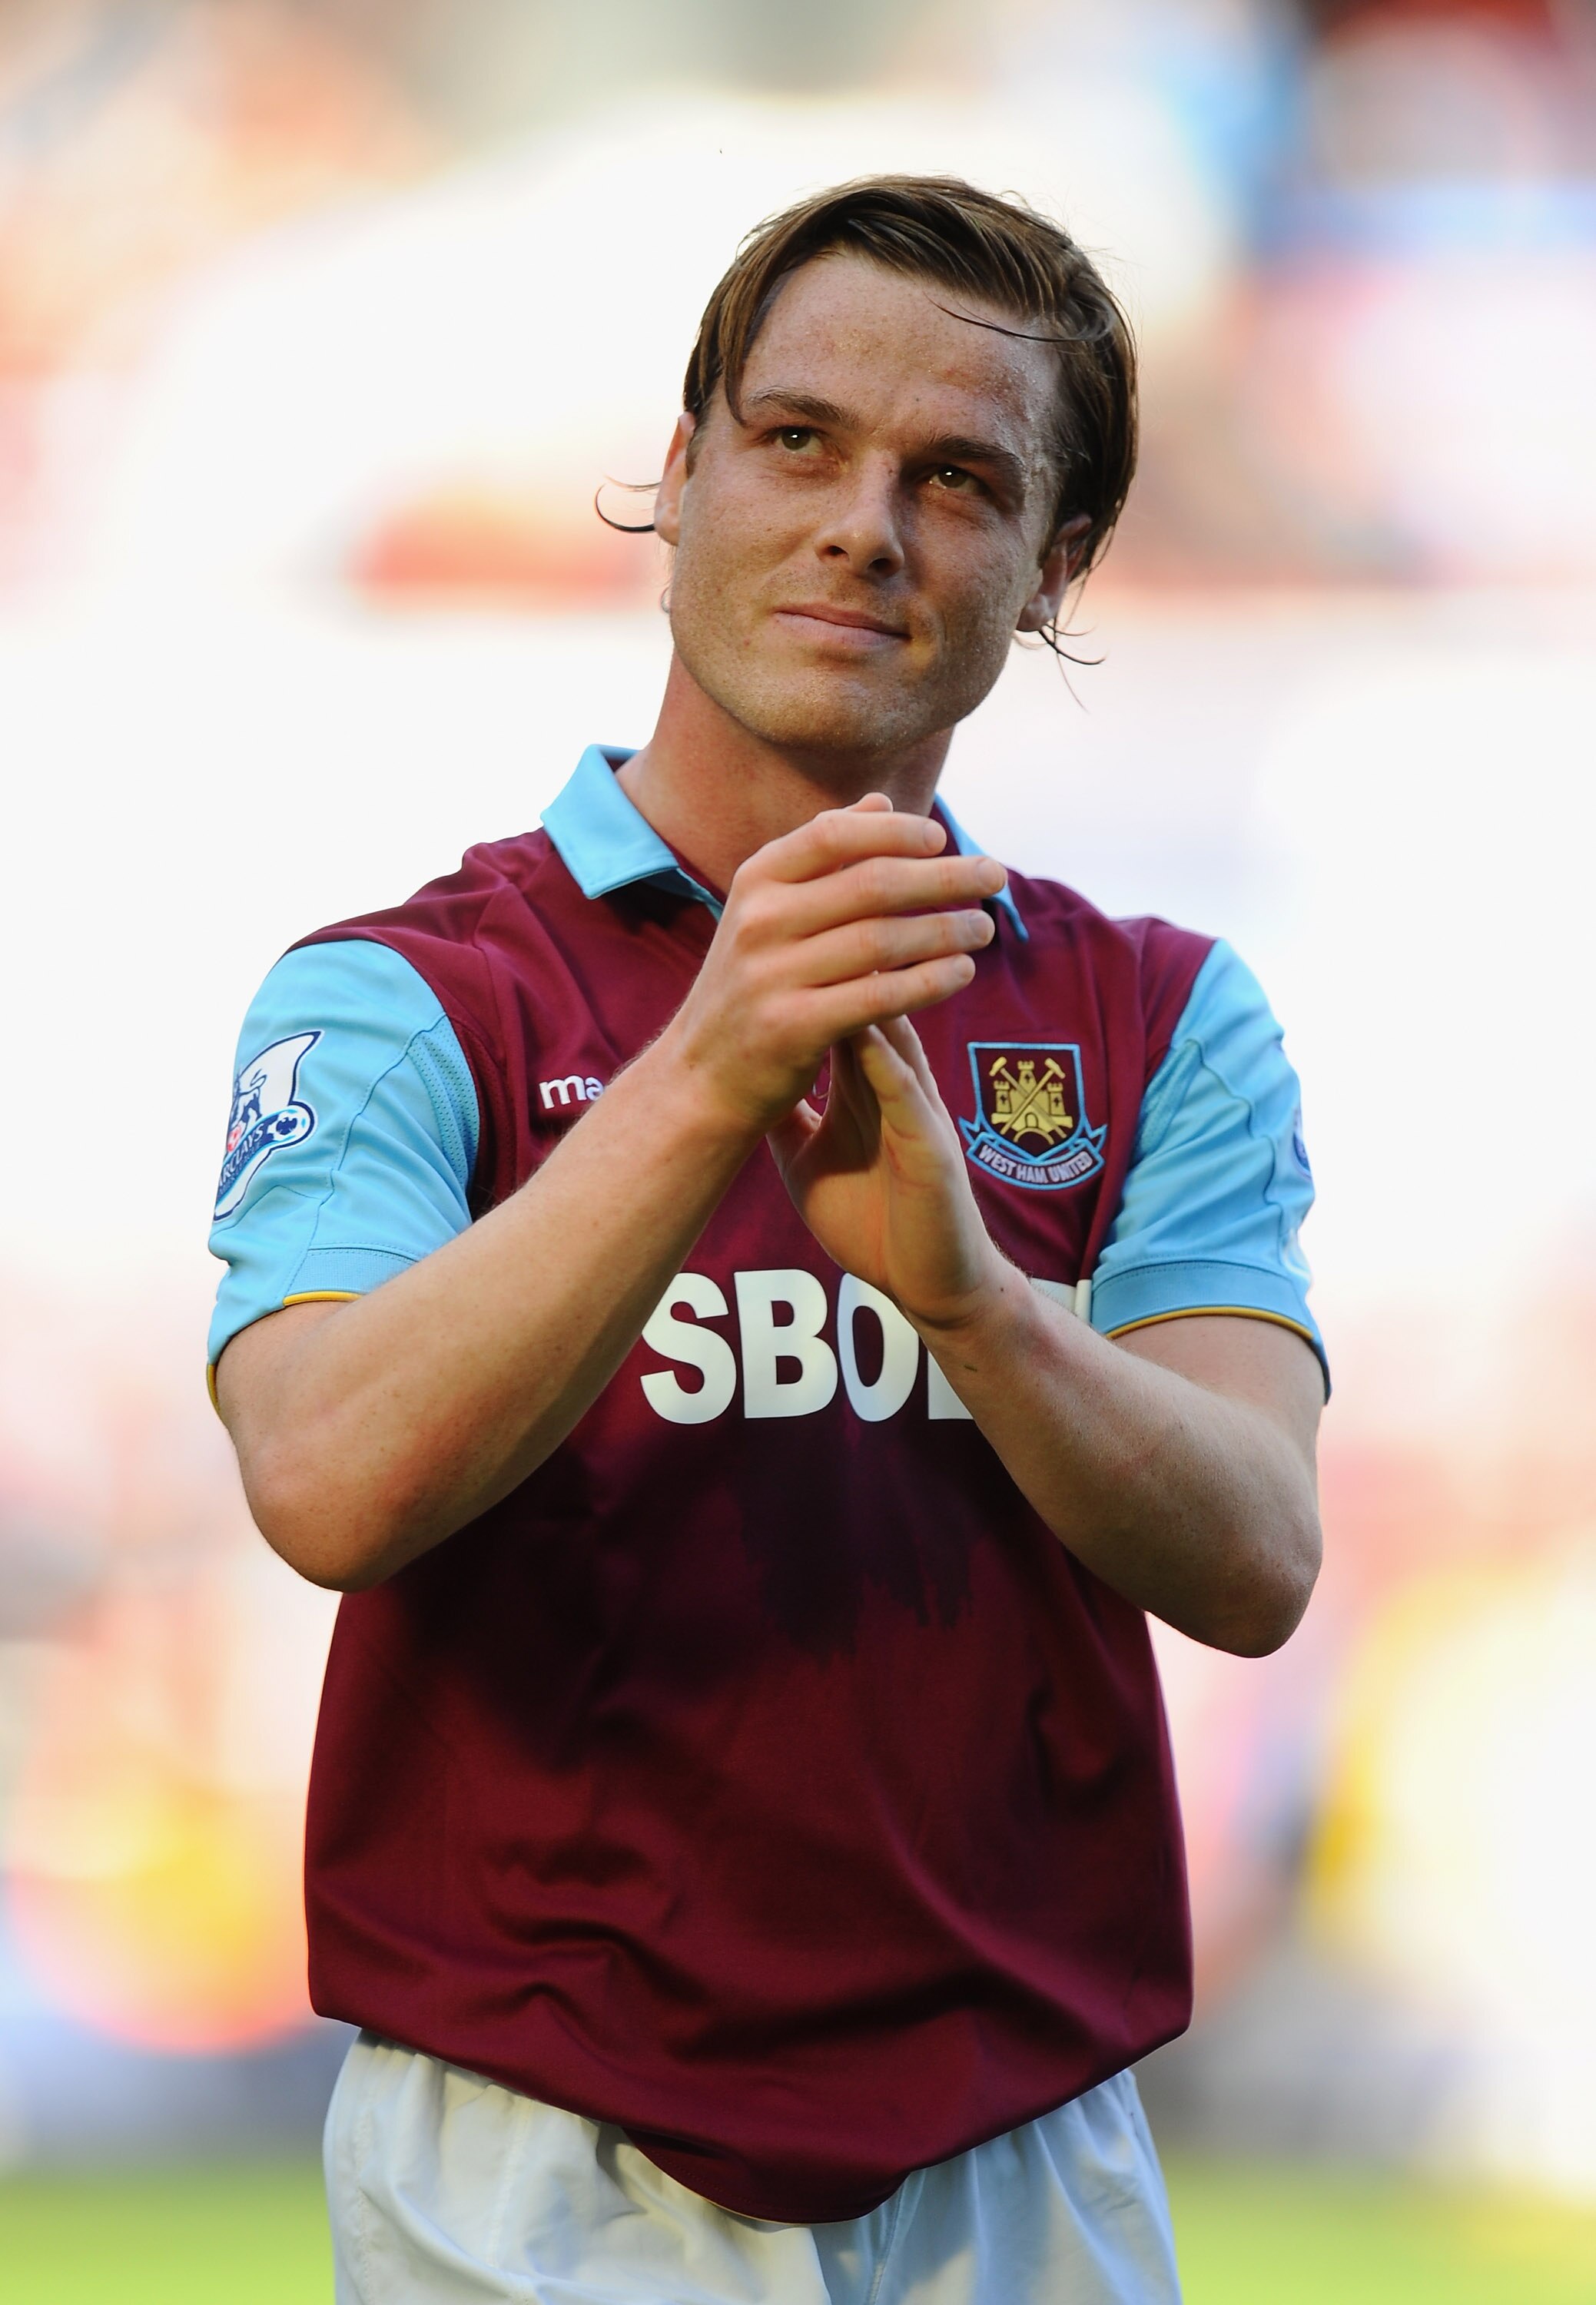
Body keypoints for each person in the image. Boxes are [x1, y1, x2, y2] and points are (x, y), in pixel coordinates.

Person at [208, 176, 1324, 2305]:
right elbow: (327, 1480)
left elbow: (1257, 1554)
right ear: (683, 468)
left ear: (1057, 567)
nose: (863, 526)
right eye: (800, 439)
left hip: (1025, 2134)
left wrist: (978, 1311)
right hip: (537, 2148)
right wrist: (710, 1068)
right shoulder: (399, 997)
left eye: (960, 480)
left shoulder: (1163, 1013)